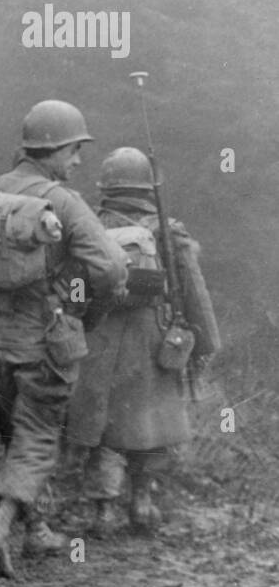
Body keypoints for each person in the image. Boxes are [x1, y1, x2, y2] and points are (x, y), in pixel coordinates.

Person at [0, 100, 126, 578]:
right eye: (75, 150)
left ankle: (37, 529)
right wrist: (84, 304)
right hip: (45, 341)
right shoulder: (63, 202)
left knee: (15, 430)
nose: (78, 161)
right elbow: (113, 267)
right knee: (38, 436)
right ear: (53, 150)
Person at [66, 147, 220, 537]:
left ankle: (102, 511)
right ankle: (141, 501)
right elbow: (194, 294)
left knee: (101, 427)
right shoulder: (168, 232)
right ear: (147, 188)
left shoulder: (88, 229)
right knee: (147, 424)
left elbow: (74, 290)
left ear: (105, 187)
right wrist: (205, 345)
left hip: (98, 339)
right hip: (151, 339)